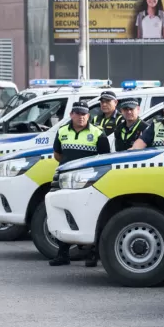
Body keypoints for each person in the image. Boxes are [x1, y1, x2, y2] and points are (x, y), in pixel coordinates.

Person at [50, 101, 111, 268]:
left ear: (88, 116)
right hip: (66, 180)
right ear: (71, 115)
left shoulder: (97, 132)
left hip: (89, 183)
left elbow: (105, 158)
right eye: (77, 113)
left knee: (90, 215)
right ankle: (63, 254)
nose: (81, 116)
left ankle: (92, 255)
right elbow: (57, 154)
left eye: (84, 113)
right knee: (64, 215)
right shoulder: (62, 131)